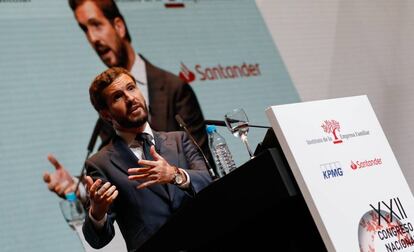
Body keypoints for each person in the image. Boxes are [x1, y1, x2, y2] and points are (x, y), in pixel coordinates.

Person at [43, 0, 213, 197]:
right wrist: (78, 187)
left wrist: (174, 175)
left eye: (96, 25)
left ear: (119, 26)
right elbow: (111, 169)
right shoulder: (109, 108)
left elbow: (203, 166)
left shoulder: (174, 88)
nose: (93, 38)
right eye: (85, 30)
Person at [82, 67, 212, 251]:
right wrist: (97, 212)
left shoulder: (179, 140)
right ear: (106, 114)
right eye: (117, 96)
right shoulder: (100, 164)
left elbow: (210, 181)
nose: (130, 98)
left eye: (131, 88)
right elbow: (98, 240)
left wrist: (176, 175)